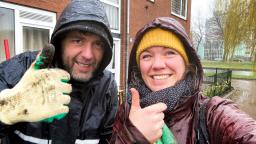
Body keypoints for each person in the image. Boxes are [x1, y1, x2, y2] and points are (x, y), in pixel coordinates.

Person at [109, 17, 256, 144]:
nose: (158, 65)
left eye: (170, 53)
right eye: (147, 56)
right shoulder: (127, 111)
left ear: (187, 64)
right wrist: (132, 137)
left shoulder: (211, 114)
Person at [0, 0, 118, 143]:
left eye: (98, 44)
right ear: (60, 42)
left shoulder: (106, 86)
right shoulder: (22, 69)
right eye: (78, 40)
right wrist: (8, 109)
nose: (88, 55)